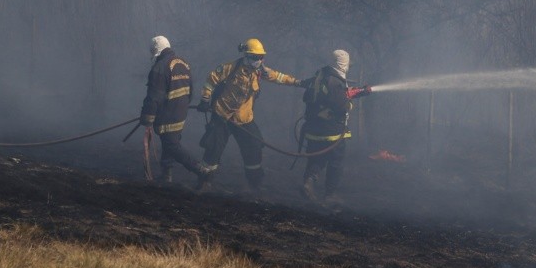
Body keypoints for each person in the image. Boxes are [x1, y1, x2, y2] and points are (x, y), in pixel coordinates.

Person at [195, 38, 306, 193]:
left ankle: (254, 184)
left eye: (261, 57)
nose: (258, 60)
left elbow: (278, 77)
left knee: (254, 148)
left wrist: (298, 82)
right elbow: (211, 80)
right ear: (246, 56)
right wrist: (205, 99)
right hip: (222, 116)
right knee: (213, 149)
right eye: (255, 57)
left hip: (244, 119)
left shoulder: (260, 71)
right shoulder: (230, 68)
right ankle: (205, 182)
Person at [300, 49, 369, 206]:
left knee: (317, 158)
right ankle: (330, 195)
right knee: (335, 162)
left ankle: (308, 182)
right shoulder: (335, 81)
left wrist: (358, 92)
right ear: (343, 64)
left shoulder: (322, 75)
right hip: (332, 130)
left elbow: (331, 96)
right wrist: (350, 104)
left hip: (315, 128)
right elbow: (340, 105)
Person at [140, 36, 205, 182]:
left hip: (167, 114)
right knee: (169, 141)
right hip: (181, 112)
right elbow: (191, 91)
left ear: (156, 52)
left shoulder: (159, 67)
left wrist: (147, 118)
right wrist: (183, 106)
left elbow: (154, 97)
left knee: (171, 145)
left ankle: (200, 170)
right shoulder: (183, 63)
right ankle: (166, 174)